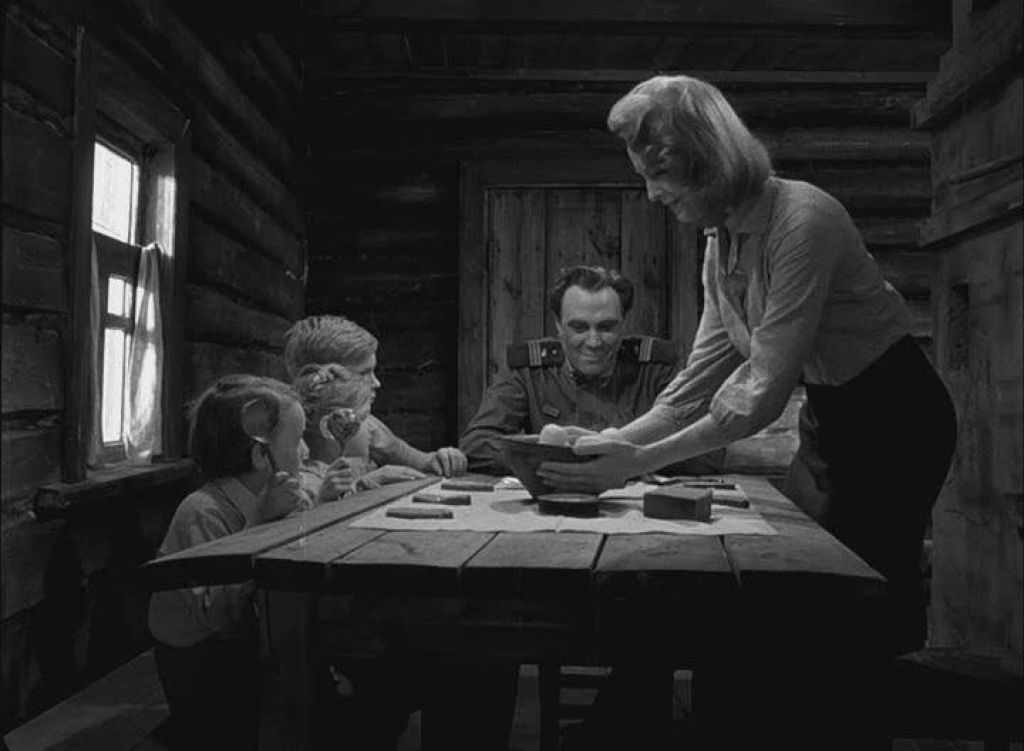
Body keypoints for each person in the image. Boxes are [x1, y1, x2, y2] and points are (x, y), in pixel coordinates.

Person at [537, 75, 957, 748]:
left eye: (662, 175)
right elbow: (699, 379)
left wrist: (634, 463)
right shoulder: (720, 239)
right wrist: (613, 442)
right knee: (784, 581)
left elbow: (760, 391)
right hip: (832, 415)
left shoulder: (804, 219)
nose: (653, 194)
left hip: (895, 415)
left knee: (851, 602)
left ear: (711, 159)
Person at [148, 375, 309, 751]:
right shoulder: (202, 511)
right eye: (297, 440)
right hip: (199, 664)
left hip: (240, 647)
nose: (305, 451)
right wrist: (260, 524)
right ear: (259, 456)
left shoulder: (268, 496)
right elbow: (216, 615)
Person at [460, 265, 724, 476]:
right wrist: (554, 454)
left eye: (606, 327)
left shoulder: (656, 369)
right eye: (579, 328)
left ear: (624, 323)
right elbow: (477, 443)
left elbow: (708, 454)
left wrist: (622, 454)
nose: (594, 342)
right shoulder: (530, 371)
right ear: (558, 326)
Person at [284, 315, 467, 500]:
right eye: (364, 373)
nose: (377, 383)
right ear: (326, 379)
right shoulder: (290, 436)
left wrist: (443, 458)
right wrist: (361, 486)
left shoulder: (366, 428)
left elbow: (423, 461)